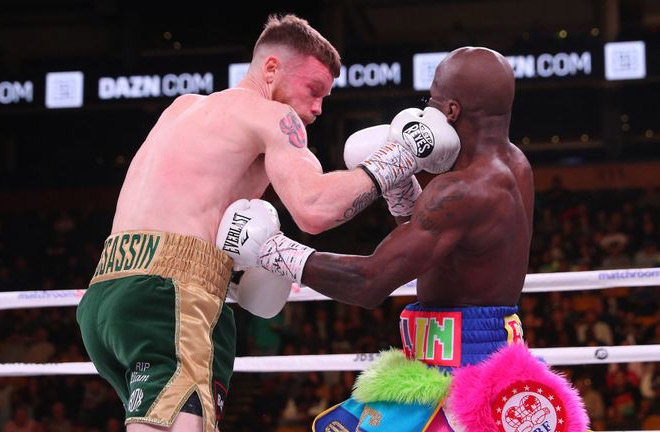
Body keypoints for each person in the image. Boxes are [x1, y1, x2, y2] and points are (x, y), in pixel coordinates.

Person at [76, 13, 460, 432]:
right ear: (271, 68)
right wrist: (395, 161)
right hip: (172, 293)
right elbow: (313, 209)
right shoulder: (273, 117)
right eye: (314, 91)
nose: (317, 108)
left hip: (106, 296)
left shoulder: (182, 108)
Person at [219, 47, 591, 431]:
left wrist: (272, 251)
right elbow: (447, 246)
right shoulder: (514, 164)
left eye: (430, 99)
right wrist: (399, 187)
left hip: (459, 378)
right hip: (475, 358)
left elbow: (368, 283)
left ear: (451, 111)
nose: (424, 109)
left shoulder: (462, 190)